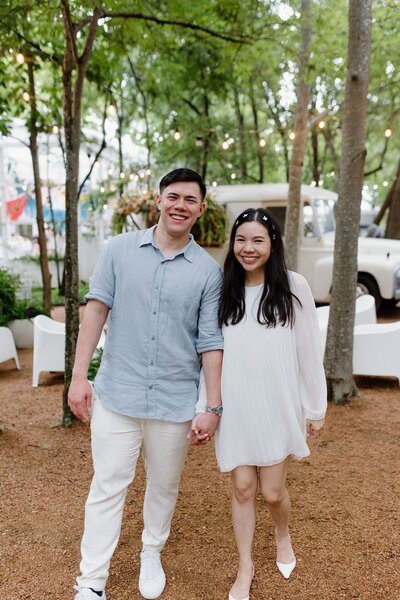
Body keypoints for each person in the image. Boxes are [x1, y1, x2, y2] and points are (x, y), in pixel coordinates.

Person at [68, 168, 224, 600]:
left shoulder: (209, 272)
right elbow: (96, 311)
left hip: (174, 401)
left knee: (164, 485)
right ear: (158, 200)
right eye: (173, 196)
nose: (180, 205)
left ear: (200, 209)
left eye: (190, 200)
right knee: (107, 485)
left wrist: (211, 406)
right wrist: (80, 377)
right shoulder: (118, 250)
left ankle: (151, 551)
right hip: (118, 394)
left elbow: (210, 342)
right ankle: (91, 581)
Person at [196, 208, 327, 600]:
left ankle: (282, 535)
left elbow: (308, 350)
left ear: (273, 244)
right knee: (241, 487)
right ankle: (245, 566)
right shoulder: (221, 289)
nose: (248, 248)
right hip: (234, 405)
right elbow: (207, 352)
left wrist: (315, 406)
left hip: (275, 403)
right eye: (241, 239)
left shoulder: (293, 285)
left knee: (271, 492)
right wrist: (206, 404)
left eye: (258, 240)